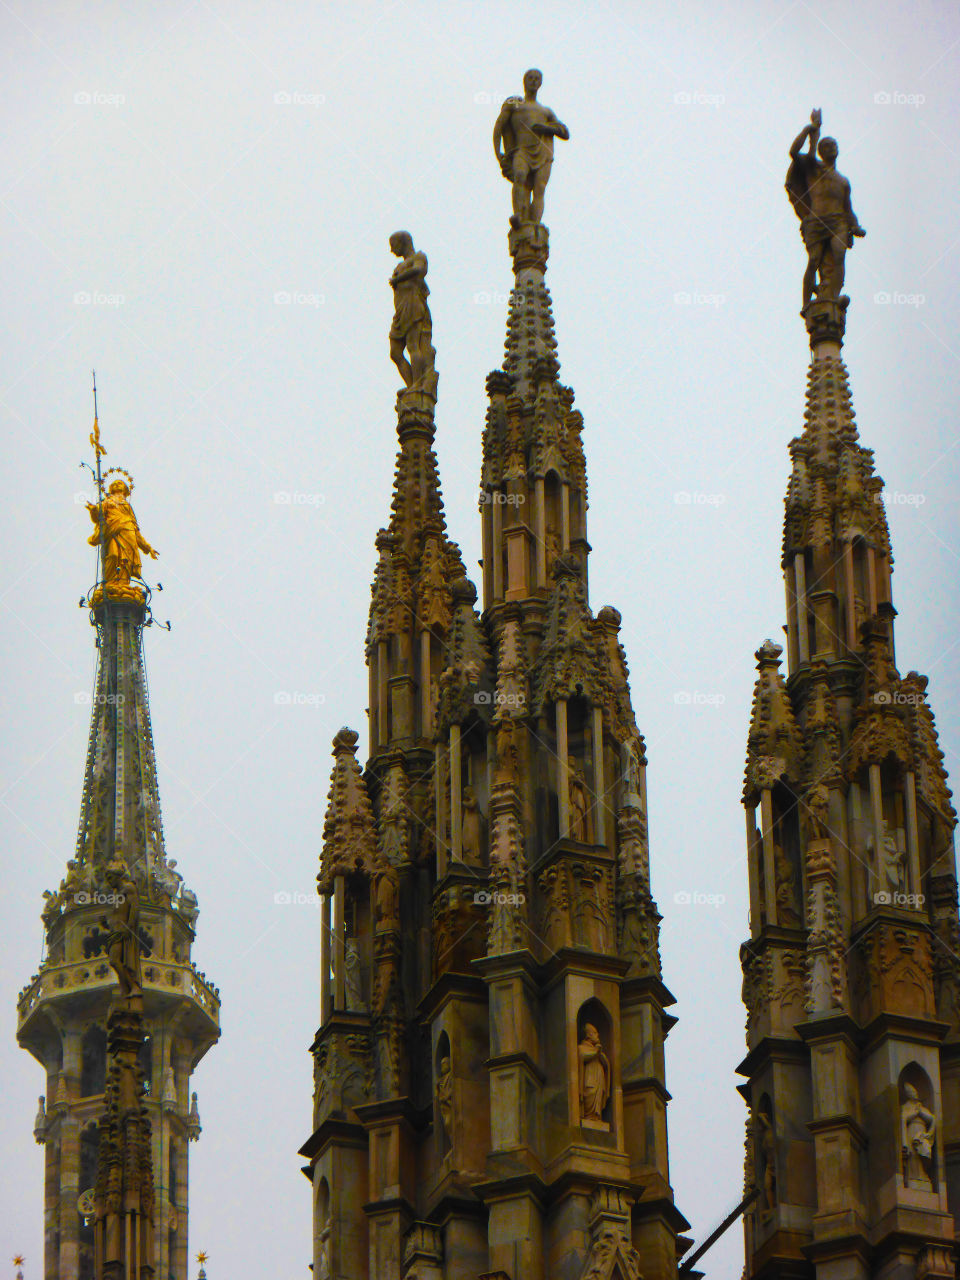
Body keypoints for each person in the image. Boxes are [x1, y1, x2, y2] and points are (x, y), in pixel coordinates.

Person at [786, 109, 865, 307]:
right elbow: (794, 152)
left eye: (834, 145)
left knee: (838, 255)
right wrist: (810, 129)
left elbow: (848, 209)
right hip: (816, 220)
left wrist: (855, 225)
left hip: (838, 222)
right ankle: (806, 303)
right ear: (821, 151)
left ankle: (832, 295)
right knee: (814, 260)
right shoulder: (814, 168)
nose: (831, 148)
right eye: (827, 145)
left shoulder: (843, 181)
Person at [493, 69, 569, 226]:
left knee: (539, 188)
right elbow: (499, 126)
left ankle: (535, 224)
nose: (534, 81)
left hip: (542, 153)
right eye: (530, 78)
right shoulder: (515, 103)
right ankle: (519, 215)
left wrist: (546, 128)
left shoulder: (546, 111)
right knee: (520, 175)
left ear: (540, 83)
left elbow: (564, 132)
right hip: (522, 150)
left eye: (537, 79)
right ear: (524, 81)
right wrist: (498, 152)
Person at [87, 478, 158, 598]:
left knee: (126, 561)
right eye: (114, 483)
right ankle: (109, 582)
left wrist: (148, 548)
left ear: (125, 489)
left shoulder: (127, 506)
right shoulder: (107, 501)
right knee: (113, 555)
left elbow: (136, 530)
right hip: (113, 531)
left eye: (120, 483)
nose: (116, 484)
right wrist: (93, 510)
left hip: (129, 533)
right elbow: (98, 516)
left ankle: (123, 584)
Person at [388, 231, 435, 392]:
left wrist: (398, 279)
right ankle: (411, 385)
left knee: (413, 345)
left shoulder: (419, 257)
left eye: (393, 245)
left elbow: (418, 270)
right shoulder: (399, 266)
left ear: (403, 243)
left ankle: (418, 385)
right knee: (395, 352)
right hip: (400, 310)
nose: (392, 250)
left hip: (412, 305)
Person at [577, 1023, 610, 1121]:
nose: (597, 1035)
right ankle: (588, 1117)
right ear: (588, 1035)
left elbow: (606, 1065)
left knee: (598, 1098)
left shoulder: (597, 1050)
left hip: (599, 1080)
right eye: (595, 1033)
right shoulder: (582, 1048)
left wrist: (600, 1056)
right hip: (590, 1079)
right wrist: (596, 1053)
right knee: (590, 1094)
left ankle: (596, 1117)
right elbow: (582, 1057)